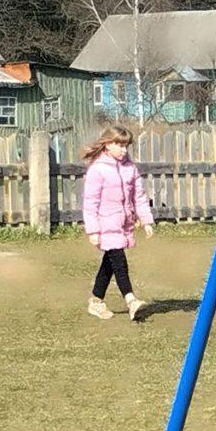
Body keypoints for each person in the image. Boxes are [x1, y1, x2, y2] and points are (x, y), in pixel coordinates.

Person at [81, 126, 154, 321]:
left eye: (126, 145)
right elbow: (90, 202)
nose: (124, 149)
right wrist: (93, 230)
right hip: (105, 223)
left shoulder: (130, 168)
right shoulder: (97, 169)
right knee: (119, 260)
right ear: (107, 144)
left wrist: (146, 220)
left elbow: (139, 196)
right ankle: (131, 300)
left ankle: (96, 301)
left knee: (110, 262)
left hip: (124, 223)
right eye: (119, 145)